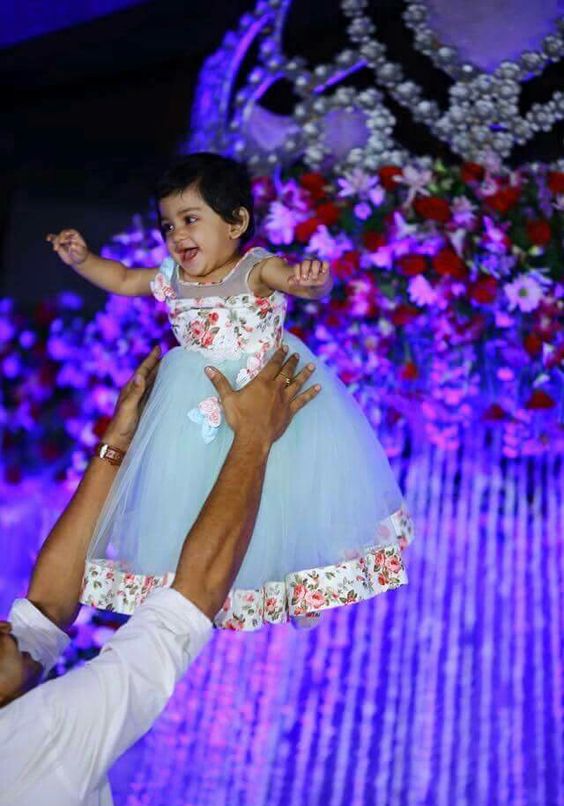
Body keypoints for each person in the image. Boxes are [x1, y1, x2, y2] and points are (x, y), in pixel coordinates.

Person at [47, 152, 413, 630]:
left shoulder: (254, 269)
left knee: (285, 490)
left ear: (236, 222)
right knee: (195, 497)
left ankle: (299, 584)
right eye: (168, 225)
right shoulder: (171, 278)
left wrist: (312, 283)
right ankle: (207, 585)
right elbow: (121, 278)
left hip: (266, 394)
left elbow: (295, 282)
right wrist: (83, 260)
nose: (177, 235)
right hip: (195, 404)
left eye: (190, 220)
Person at [0, 344, 319, 806]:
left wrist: (117, 444)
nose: (3, 626)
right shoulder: (30, 743)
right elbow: (182, 609)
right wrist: (254, 436)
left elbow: (43, 613)